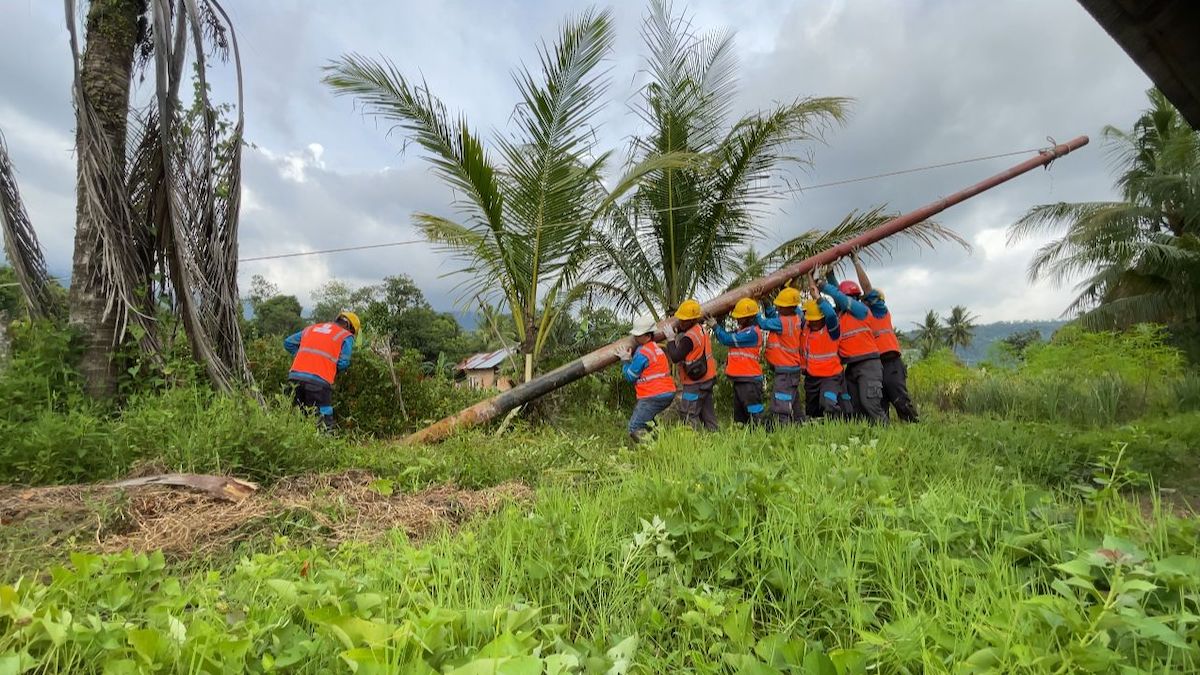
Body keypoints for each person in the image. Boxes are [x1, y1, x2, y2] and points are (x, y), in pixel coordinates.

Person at [852, 251, 919, 422]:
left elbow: (867, 288)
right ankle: (886, 432)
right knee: (879, 404)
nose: (863, 301)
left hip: (891, 363)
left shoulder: (880, 311)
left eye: (866, 299)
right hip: (875, 365)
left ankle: (914, 426)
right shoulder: (862, 317)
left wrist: (856, 262)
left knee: (900, 399)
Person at [822, 270, 887, 424]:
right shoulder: (842, 315)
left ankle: (885, 431)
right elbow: (839, 294)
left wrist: (822, 285)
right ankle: (865, 434)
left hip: (868, 364)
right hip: (852, 365)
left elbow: (840, 297)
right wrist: (830, 275)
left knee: (870, 404)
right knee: (855, 406)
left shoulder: (860, 310)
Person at [284, 311, 360, 431]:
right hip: (319, 381)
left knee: (294, 418)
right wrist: (331, 367)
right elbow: (344, 363)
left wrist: (304, 356)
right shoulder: (345, 336)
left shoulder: (311, 328)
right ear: (348, 326)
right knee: (324, 420)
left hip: (294, 378)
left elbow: (288, 343)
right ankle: (325, 440)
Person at [616, 314, 677, 442]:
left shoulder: (643, 353)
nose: (635, 337)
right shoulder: (655, 348)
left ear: (648, 336)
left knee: (634, 427)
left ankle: (651, 449)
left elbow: (630, 376)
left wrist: (625, 361)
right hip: (666, 392)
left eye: (638, 335)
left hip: (652, 395)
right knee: (649, 424)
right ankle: (660, 443)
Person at [712, 298, 769, 427]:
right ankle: (743, 435)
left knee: (754, 413)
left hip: (750, 380)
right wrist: (719, 321)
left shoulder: (752, 333)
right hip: (741, 379)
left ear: (750, 318)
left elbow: (727, 339)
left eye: (741, 318)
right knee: (740, 416)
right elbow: (724, 335)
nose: (737, 319)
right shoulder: (743, 331)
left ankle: (762, 433)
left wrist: (715, 326)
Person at [663, 299, 718, 431]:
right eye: (680, 319)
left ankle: (692, 439)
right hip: (708, 377)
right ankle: (714, 435)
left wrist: (670, 339)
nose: (681, 322)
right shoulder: (700, 329)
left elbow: (675, 357)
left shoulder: (689, 338)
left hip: (695, 382)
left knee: (688, 413)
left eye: (684, 320)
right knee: (707, 413)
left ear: (692, 320)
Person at [759, 287, 805, 424]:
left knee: (782, 399)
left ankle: (782, 425)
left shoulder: (782, 323)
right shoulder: (796, 317)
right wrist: (765, 301)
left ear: (790, 308)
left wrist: (753, 312)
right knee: (792, 398)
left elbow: (763, 323)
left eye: (781, 306)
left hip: (785, 369)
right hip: (792, 367)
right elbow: (774, 316)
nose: (778, 307)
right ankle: (799, 422)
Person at [801, 286, 844, 419]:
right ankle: (818, 430)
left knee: (828, 403)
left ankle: (837, 425)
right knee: (812, 412)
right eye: (811, 320)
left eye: (817, 320)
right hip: (812, 378)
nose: (813, 323)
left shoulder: (831, 330)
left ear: (823, 318)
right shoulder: (805, 328)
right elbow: (792, 312)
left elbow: (831, 314)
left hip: (830, 377)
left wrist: (818, 298)